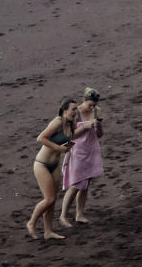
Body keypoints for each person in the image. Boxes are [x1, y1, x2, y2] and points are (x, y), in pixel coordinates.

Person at [26, 98, 96, 239]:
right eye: (73, 109)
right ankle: (31, 222)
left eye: (76, 109)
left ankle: (48, 231)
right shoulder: (57, 122)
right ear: (64, 111)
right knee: (49, 199)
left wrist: (85, 127)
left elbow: (72, 136)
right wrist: (59, 148)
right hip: (42, 164)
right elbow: (41, 138)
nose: (76, 111)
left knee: (53, 200)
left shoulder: (71, 125)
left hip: (55, 165)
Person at [60, 88, 105, 226]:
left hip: (91, 150)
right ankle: (63, 216)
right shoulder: (75, 112)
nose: (92, 107)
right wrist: (85, 126)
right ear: (83, 100)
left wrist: (97, 126)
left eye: (94, 105)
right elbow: (70, 135)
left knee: (86, 183)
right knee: (75, 184)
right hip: (76, 150)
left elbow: (100, 135)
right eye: (89, 104)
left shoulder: (98, 111)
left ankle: (79, 214)